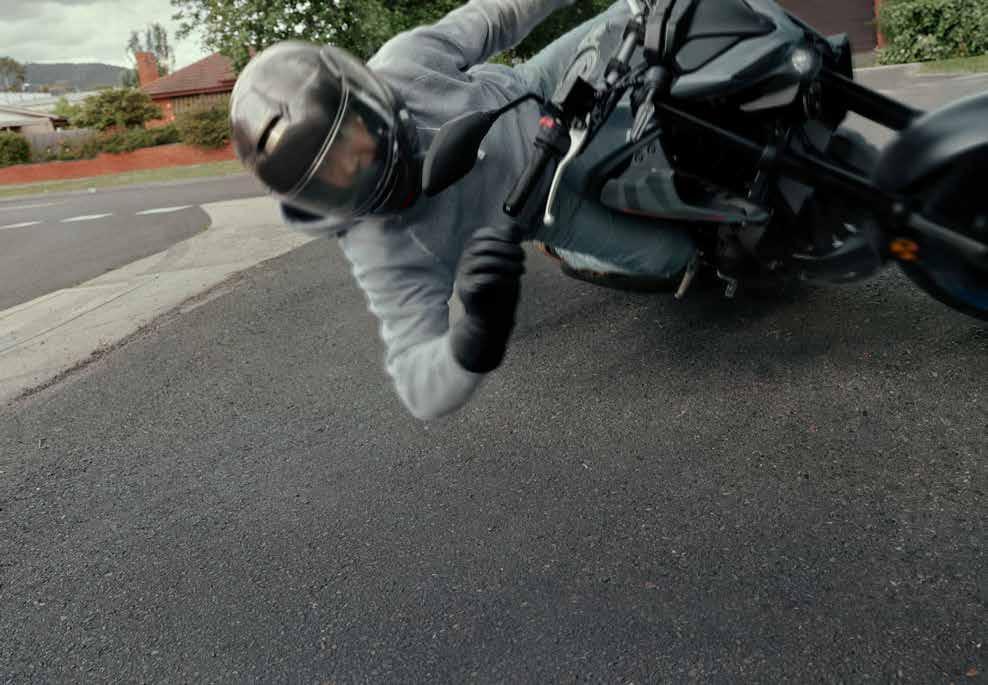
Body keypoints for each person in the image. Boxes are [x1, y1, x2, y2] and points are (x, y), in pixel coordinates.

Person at [230, 0, 696, 420]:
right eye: (333, 174)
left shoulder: (405, 61)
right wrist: (474, 335)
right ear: (315, 199)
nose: (356, 165)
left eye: (348, 136)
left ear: (360, 98)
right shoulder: (379, 247)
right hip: (547, 207)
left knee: (645, 17)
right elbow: (418, 383)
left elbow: (497, 15)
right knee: (673, 256)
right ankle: (569, 254)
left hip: (537, 90)